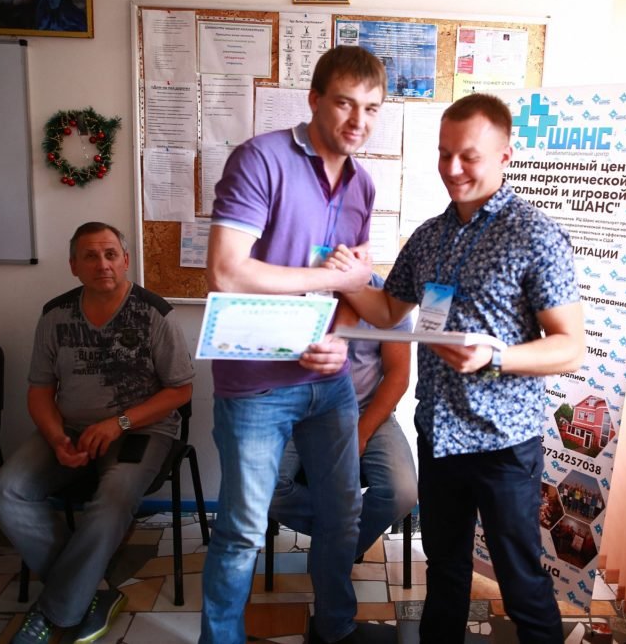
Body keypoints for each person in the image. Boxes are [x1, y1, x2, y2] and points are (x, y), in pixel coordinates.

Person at [329, 93, 586, 643]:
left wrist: (497, 356)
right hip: (439, 436)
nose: (451, 168)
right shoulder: (430, 236)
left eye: (468, 156)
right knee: (444, 569)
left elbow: (570, 347)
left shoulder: (535, 236)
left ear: (505, 155)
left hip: (502, 443)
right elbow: (388, 312)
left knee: (519, 579)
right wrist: (349, 279)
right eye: (444, 153)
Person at [200, 45, 387, 644]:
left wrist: (340, 337)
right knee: (242, 531)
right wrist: (328, 277)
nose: (358, 120)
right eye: (345, 103)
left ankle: (334, 630)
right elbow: (227, 271)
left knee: (343, 516)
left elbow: (348, 287)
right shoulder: (261, 159)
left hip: (327, 382)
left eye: (372, 109)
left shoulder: (362, 185)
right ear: (314, 100)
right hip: (256, 385)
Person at [0, 222, 193, 644]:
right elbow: (40, 390)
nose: (103, 264)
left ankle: (56, 611)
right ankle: (92, 589)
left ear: (126, 260)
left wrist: (118, 423)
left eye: (111, 254)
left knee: (112, 499)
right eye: (90, 256)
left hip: (142, 430)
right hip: (69, 428)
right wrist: (56, 437)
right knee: (5, 492)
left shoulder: (154, 313)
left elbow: (181, 390)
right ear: (73, 266)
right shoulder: (55, 315)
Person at [269, 273, 417, 559]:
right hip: (298, 410)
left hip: (366, 411)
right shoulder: (290, 288)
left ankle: (332, 550)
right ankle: (337, 538)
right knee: (262, 486)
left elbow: (398, 375)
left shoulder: (390, 298)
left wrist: (361, 433)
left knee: (402, 492)